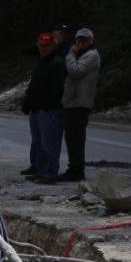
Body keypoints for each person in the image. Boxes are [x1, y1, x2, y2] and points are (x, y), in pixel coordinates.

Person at [21, 32, 66, 184]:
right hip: (37, 109)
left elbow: (57, 89)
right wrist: (28, 101)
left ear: (53, 45)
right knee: (39, 143)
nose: (44, 48)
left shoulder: (57, 62)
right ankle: (41, 171)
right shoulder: (41, 61)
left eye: (47, 45)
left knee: (50, 144)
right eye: (41, 45)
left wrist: (47, 106)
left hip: (49, 110)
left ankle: (50, 173)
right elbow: (35, 85)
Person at [60, 28, 101, 182]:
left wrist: (69, 55)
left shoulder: (91, 55)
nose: (81, 42)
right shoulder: (81, 55)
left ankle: (76, 171)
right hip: (72, 102)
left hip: (80, 104)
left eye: (85, 39)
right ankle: (75, 169)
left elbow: (75, 71)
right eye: (79, 39)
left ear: (91, 40)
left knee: (75, 139)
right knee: (72, 139)